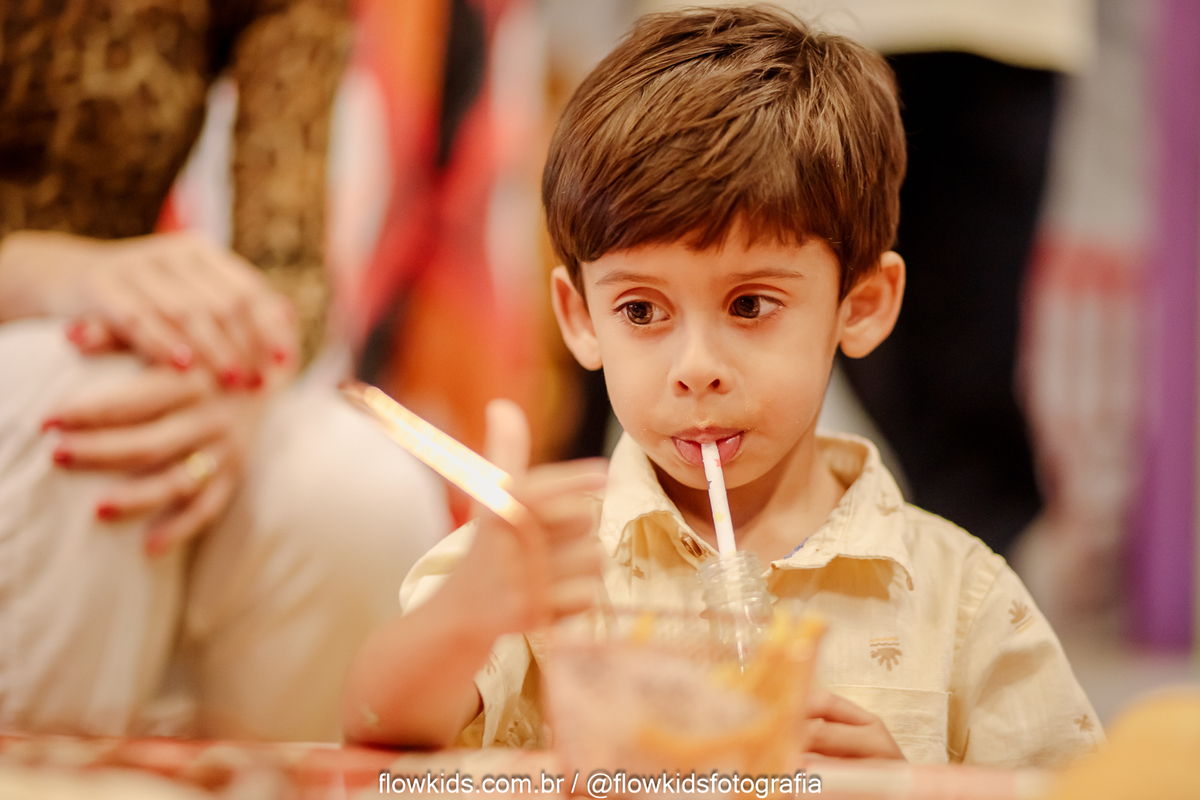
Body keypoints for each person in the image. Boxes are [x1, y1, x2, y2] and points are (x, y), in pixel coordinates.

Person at [341, 6, 1100, 765]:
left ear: (861, 305)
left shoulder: (963, 599)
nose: (695, 366)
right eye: (642, 310)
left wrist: (910, 787)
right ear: (580, 318)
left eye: (749, 305)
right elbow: (375, 726)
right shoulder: (544, 569)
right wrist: (469, 612)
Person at [0, 0, 448, 740]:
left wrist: (238, 361)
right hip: (71, 336)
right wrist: (38, 273)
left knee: (360, 494)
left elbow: (289, 266)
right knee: (96, 419)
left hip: (126, 332)